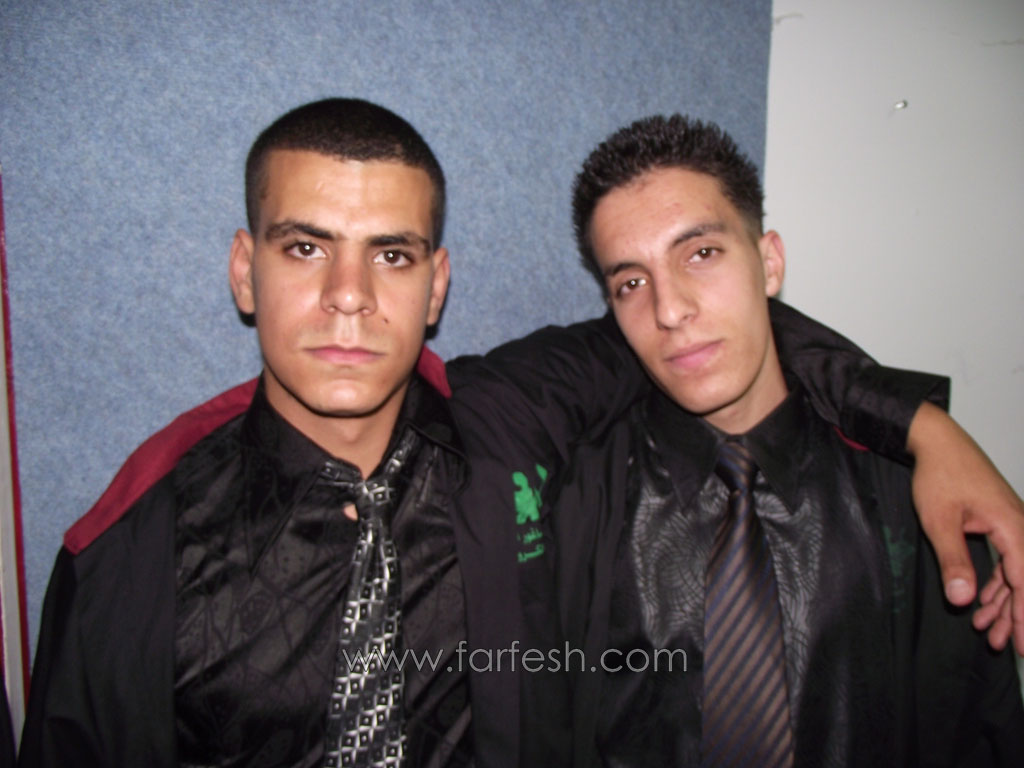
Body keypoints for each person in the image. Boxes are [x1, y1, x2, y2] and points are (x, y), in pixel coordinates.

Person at [18, 98, 1023, 768]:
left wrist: (917, 424)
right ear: (246, 271)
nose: (348, 296)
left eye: (392, 255)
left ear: (437, 285)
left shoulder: (503, 426)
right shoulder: (134, 548)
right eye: (306, 248)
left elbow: (701, 335)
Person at [522, 114, 1024, 766]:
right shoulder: (575, 499)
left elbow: (973, 729)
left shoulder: (915, 488)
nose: (669, 310)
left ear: (769, 262)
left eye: (701, 254)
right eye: (631, 283)